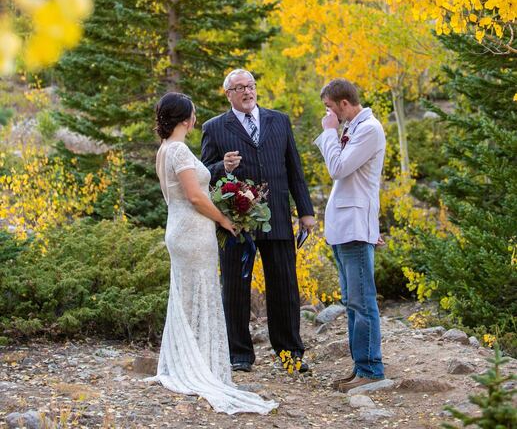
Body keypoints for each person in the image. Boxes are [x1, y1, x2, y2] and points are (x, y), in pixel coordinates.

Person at [150, 91, 278, 414]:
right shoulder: (178, 150)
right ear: (186, 119)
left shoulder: (164, 150)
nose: (195, 118)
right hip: (192, 231)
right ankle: (200, 366)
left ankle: (188, 359)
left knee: (186, 296)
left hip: (178, 227)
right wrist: (223, 219)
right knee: (202, 293)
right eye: (193, 113)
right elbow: (195, 196)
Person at [202, 69, 316, 373]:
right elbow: (202, 173)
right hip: (236, 221)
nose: (247, 91)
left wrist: (305, 211)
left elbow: (294, 168)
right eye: (239, 88)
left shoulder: (279, 120)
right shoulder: (214, 127)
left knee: (285, 286)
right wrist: (222, 166)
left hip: (277, 215)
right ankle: (239, 354)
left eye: (250, 86)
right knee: (235, 288)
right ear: (228, 94)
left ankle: (290, 353)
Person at [314, 78, 386, 392]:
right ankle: (360, 367)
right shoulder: (353, 128)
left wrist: (329, 132)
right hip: (345, 227)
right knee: (351, 301)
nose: (328, 114)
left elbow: (338, 169)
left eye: (329, 107)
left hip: (355, 227)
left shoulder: (369, 129)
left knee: (362, 301)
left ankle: (371, 369)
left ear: (344, 103)